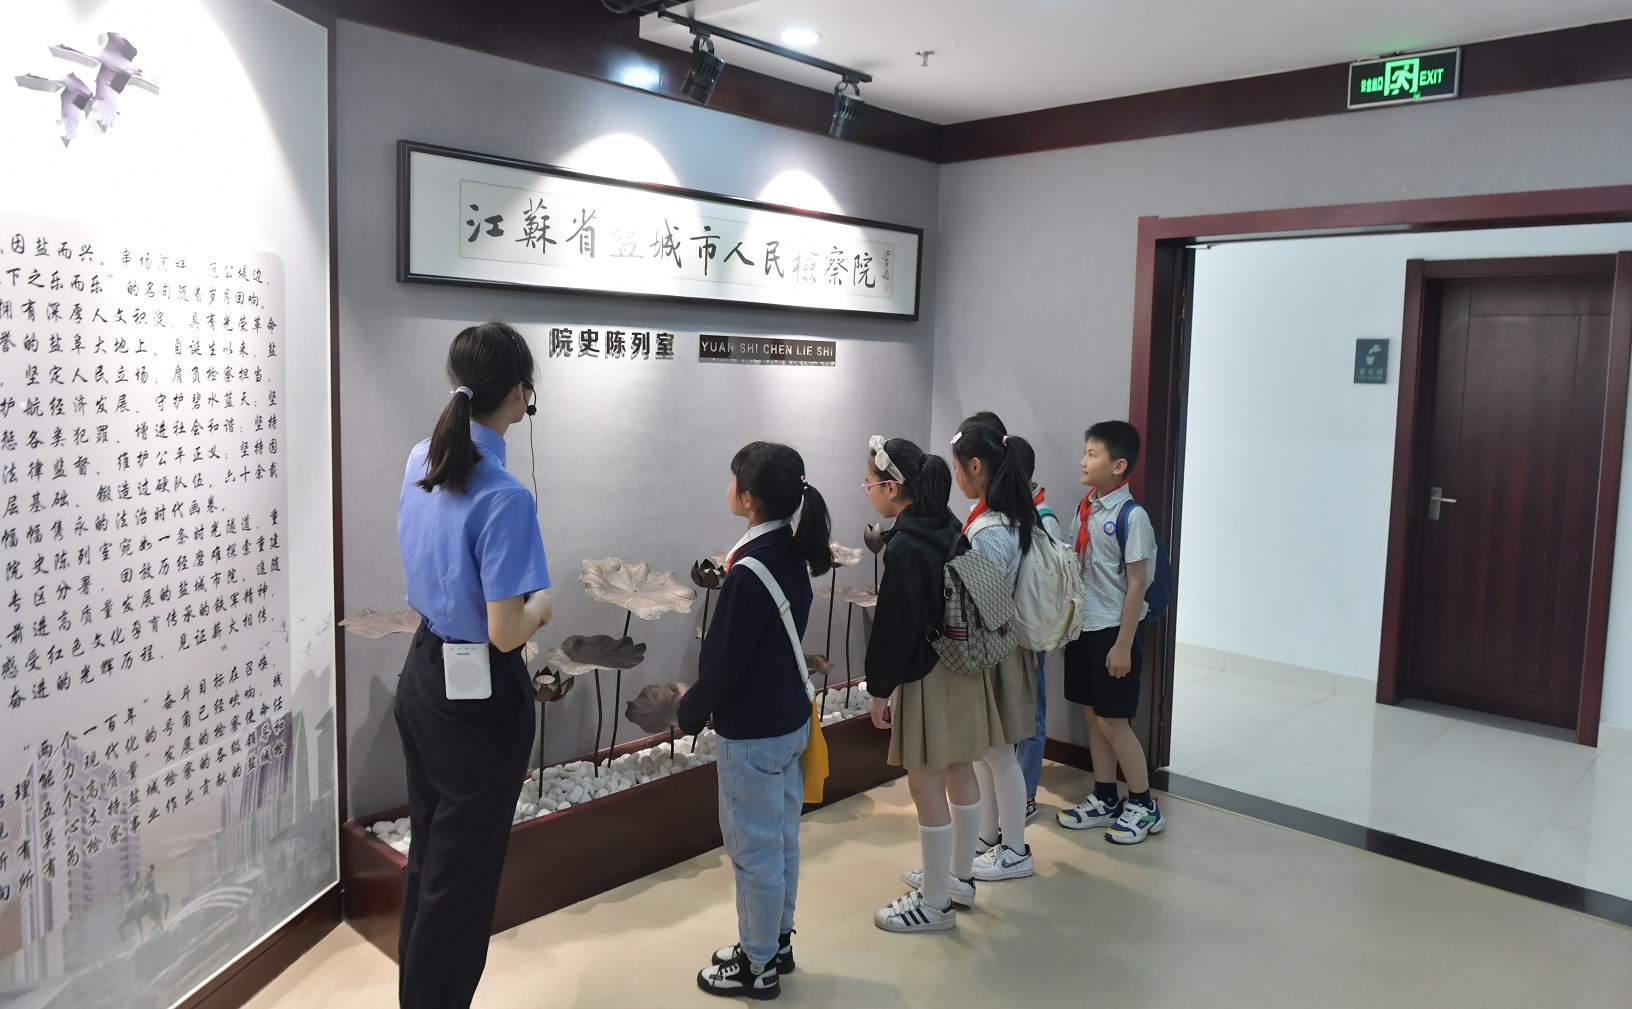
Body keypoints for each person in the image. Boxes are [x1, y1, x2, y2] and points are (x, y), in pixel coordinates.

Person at [394, 321, 553, 1009]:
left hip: (424, 674)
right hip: (479, 701)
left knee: (432, 860)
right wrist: (542, 605)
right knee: (461, 885)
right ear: (519, 394)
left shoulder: (420, 458)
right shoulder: (505, 495)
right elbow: (507, 632)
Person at [680, 442, 831, 1000]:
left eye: (733, 480)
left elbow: (724, 662)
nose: (729, 488)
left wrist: (689, 710)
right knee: (782, 840)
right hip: (788, 720)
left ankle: (757, 964)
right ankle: (776, 941)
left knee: (754, 851)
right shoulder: (790, 551)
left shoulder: (750, 572)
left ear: (748, 499)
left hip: (754, 735)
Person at [861, 437, 984, 933]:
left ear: (892, 488)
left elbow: (895, 628)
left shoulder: (905, 547)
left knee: (925, 784)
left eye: (869, 484)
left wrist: (878, 689)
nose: (869, 491)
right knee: (961, 770)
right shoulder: (950, 526)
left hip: (927, 674)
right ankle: (959, 878)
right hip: (963, 665)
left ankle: (934, 905)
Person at [1056, 421, 1167, 844]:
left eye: (1093, 454)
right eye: (1085, 452)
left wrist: (1123, 645)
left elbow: (1137, 584)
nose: (1083, 461)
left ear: (1118, 465)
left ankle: (1144, 804)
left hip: (1113, 632)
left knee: (1114, 721)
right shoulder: (1087, 506)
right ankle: (1105, 796)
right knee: (1093, 715)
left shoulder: (1131, 516)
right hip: (1084, 628)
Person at [949, 417, 1039, 881]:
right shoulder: (1010, 517)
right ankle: (988, 839)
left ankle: (1016, 850)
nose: (956, 477)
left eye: (958, 468)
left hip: (993, 650)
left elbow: (981, 600)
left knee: (1000, 755)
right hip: (1001, 646)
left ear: (976, 466)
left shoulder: (989, 529)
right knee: (986, 751)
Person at [1009, 436, 1066, 822]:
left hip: (1028, 636)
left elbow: (1048, 591)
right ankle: (1007, 791)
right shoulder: (1005, 512)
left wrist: (1033, 643)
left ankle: (1025, 795)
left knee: (1031, 717)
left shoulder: (1042, 519)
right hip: (1003, 633)